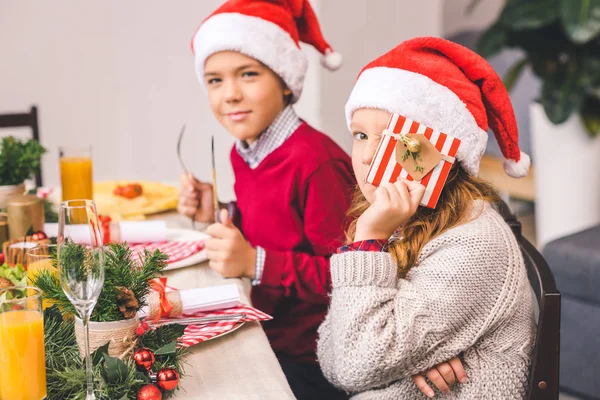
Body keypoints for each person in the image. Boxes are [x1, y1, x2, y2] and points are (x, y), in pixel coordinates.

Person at [317, 37, 537, 399]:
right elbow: (333, 357)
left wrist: (366, 242)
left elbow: (354, 364)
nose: (368, 155)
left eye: (393, 138)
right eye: (360, 134)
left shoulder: (474, 241)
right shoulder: (397, 220)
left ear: (442, 152)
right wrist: (407, 357)